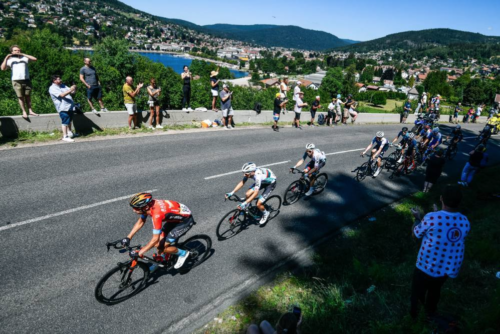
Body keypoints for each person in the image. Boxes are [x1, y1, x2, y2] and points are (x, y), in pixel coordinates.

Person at [410, 185, 470, 319]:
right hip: (446, 269)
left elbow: (416, 235)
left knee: (418, 291)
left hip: (425, 266)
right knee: (435, 291)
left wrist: (417, 218)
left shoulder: (432, 217)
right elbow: (446, 232)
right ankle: (431, 312)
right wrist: (436, 212)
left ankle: (415, 316)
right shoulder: (465, 221)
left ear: (441, 198)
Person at [123, 192, 194, 271]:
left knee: (161, 247)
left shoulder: (157, 214)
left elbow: (154, 239)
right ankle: (163, 257)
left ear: (145, 207)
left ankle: (183, 254)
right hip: (175, 218)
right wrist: (128, 237)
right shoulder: (149, 206)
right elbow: (141, 221)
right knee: (160, 243)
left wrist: (140, 252)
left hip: (185, 222)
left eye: (136, 208)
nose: (134, 210)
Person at [1, 45, 38, 119]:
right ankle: (24, 111)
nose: (18, 51)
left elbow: (35, 59)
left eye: (18, 50)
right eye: (15, 50)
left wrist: (23, 54)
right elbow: (2, 68)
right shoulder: (10, 60)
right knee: (20, 97)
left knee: (28, 96)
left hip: (26, 79)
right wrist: (6, 57)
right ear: (12, 52)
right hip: (16, 80)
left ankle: (30, 110)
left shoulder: (24, 58)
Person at [49, 75, 77, 142]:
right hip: (62, 107)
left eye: (60, 78)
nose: (60, 80)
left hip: (69, 106)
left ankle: (70, 133)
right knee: (65, 120)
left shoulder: (63, 85)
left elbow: (72, 92)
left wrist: (74, 88)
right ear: (54, 80)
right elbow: (62, 95)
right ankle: (65, 136)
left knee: (70, 120)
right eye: (58, 79)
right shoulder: (52, 88)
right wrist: (71, 89)